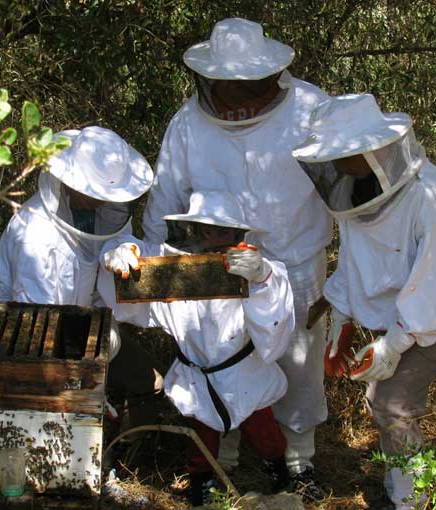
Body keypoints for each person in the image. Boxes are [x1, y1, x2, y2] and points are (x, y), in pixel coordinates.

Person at [141, 17, 331, 497]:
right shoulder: (188, 123)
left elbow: (348, 183)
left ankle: (298, 458)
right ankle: (217, 458)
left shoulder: (310, 109)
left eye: (252, 83)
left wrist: (350, 274)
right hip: (214, 270)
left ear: (272, 74)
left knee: (297, 361)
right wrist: (149, 265)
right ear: (210, 80)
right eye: (232, 85)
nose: (243, 96)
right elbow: (165, 198)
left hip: (296, 257)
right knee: (219, 358)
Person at [292, 93, 436, 510]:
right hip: (402, 313)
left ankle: (412, 500)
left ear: (374, 148)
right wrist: (342, 320)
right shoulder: (355, 188)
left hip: (434, 314)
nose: (337, 166)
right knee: (382, 402)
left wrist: (393, 344)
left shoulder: (433, 197)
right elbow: (354, 258)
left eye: (344, 155)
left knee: (391, 403)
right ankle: (403, 486)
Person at [99, 190, 296, 505]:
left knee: (265, 434)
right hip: (197, 374)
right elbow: (130, 259)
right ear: (194, 230)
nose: (214, 237)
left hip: (243, 371)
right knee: (201, 438)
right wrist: (123, 250)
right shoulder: (176, 267)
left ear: (237, 232)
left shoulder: (254, 265)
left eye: (223, 231)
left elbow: (277, 311)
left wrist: (262, 277)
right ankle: (200, 485)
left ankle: (280, 474)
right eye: (207, 230)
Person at [0, 125, 163, 429]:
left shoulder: (102, 213)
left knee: (148, 383)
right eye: (93, 194)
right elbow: (40, 335)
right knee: (72, 424)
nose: (100, 202)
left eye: (107, 195)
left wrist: (124, 249)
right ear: (68, 179)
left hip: (90, 329)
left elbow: (107, 261)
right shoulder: (36, 238)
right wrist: (97, 348)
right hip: (36, 351)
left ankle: (125, 446)